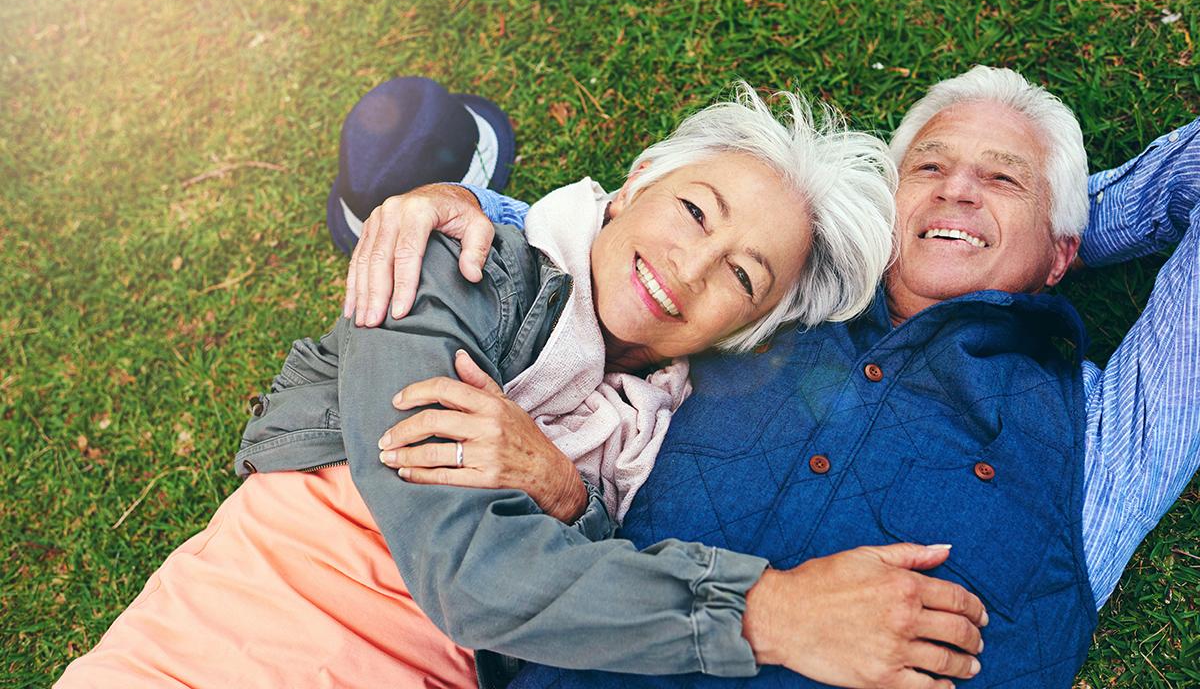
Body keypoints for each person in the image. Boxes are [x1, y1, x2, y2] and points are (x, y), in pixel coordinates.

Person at [346, 65, 1200, 688]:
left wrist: (1071, 224)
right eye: (929, 170)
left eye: (1002, 178)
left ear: (1062, 253)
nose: (958, 192)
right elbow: (640, 253)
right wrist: (460, 209)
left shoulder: (1108, 430)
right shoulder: (756, 307)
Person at [56, 82, 906, 687]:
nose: (690, 267)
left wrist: (569, 496)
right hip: (227, 637)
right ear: (640, 179)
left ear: (747, 330)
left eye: (744, 278)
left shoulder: (670, 431)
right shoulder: (447, 263)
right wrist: (766, 613)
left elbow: (568, 600)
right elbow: (468, 574)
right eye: (694, 211)